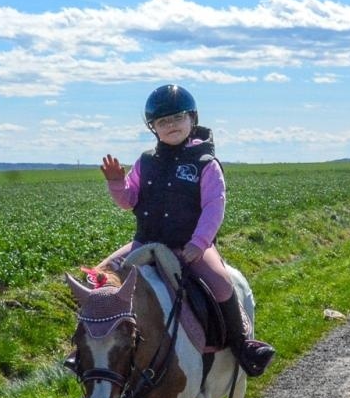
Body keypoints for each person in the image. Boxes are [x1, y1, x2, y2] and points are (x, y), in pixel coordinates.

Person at [99, 84, 275, 370]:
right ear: (153, 127)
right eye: (163, 121)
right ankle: (92, 351)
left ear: (192, 119)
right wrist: (117, 183)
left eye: (178, 118)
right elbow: (129, 201)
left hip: (190, 244)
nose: (171, 125)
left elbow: (213, 207)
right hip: (146, 242)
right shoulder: (145, 162)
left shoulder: (205, 163)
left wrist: (198, 243)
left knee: (221, 285)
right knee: (99, 278)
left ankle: (243, 345)